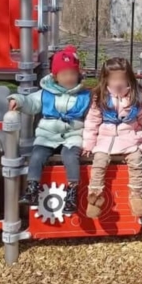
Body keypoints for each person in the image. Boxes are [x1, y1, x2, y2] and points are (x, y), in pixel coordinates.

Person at [9, 46, 91, 215]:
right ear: (55, 77)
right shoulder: (46, 93)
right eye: (64, 75)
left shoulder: (84, 96)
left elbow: (93, 115)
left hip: (72, 135)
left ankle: (72, 192)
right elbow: (30, 103)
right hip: (48, 135)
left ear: (78, 75)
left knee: (70, 157)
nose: (69, 78)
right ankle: (32, 188)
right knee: (38, 155)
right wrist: (18, 100)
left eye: (72, 74)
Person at [82, 57, 142, 218]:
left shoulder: (135, 95)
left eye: (121, 78)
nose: (117, 82)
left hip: (129, 138)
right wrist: (88, 144)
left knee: (136, 161)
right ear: (106, 79)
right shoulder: (101, 96)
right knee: (99, 162)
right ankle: (95, 197)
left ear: (128, 78)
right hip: (105, 139)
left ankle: (136, 195)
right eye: (113, 79)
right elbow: (92, 121)